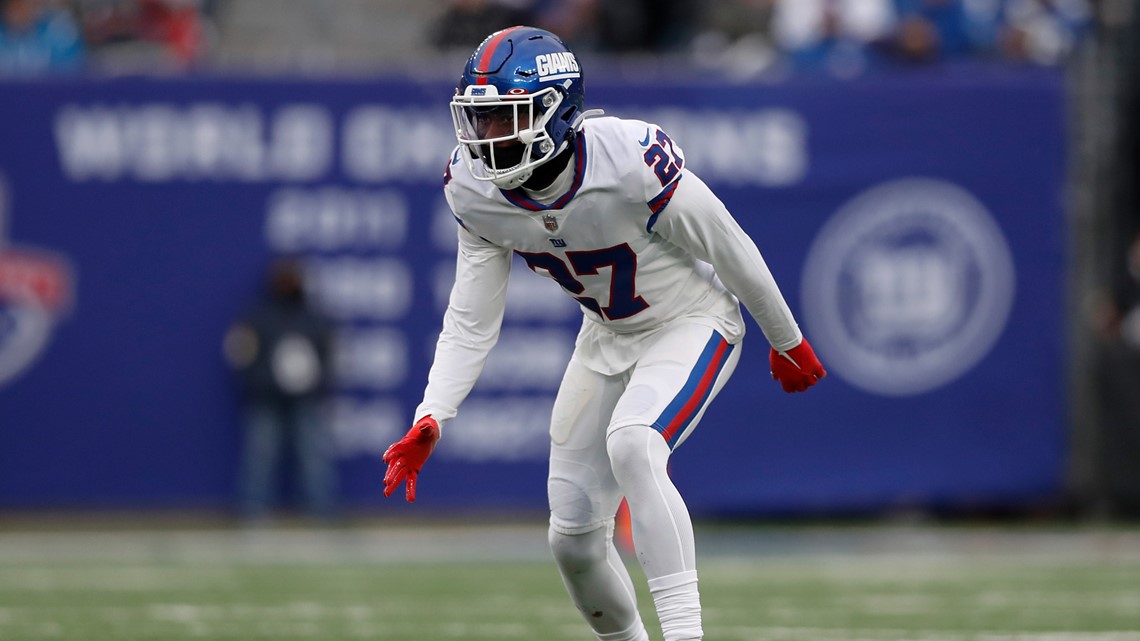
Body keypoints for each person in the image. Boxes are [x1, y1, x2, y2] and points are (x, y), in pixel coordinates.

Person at [380, 26, 826, 641]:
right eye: (478, 121)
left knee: (635, 444)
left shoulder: (626, 158)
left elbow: (728, 245)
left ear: (554, 110)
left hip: (691, 320)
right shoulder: (476, 192)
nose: (487, 139)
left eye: (503, 119)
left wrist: (786, 339)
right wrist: (434, 412)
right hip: (604, 340)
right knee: (574, 540)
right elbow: (471, 316)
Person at [224, 257, 337, 523]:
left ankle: (321, 512)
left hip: (306, 398)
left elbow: (329, 354)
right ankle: (253, 512)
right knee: (260, 456)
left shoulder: (313, 318)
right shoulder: (258, 317)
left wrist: (315, 383)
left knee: (313, 457)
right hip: (266, 397)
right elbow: (240, 353)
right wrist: (263, 381)